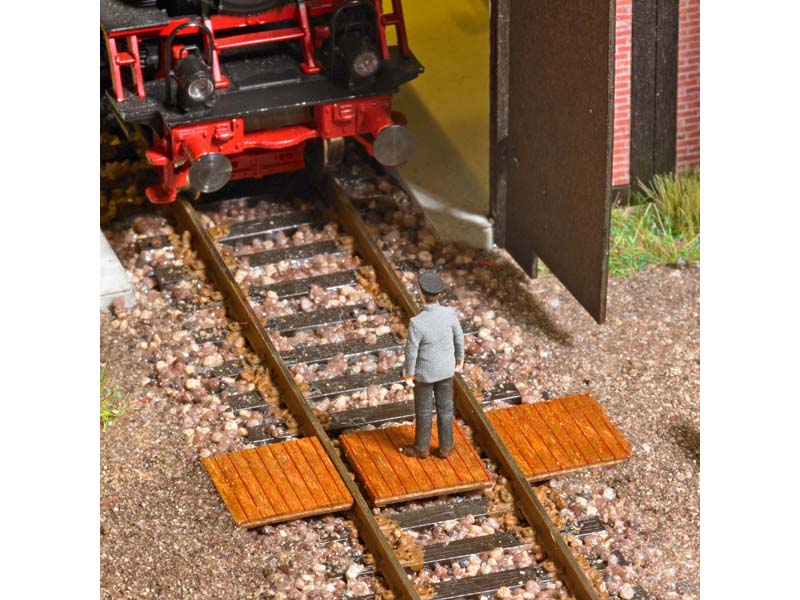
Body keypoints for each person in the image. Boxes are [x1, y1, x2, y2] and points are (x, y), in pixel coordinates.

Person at [401, 272, 465, 459]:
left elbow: (411, 352)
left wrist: (409, 374)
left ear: (421, 294)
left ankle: (422, 448)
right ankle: (446, 447)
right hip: (446, 371)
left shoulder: (417, 323)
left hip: (425, 375)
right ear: (439, 294)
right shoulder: (449, 313)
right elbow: (459, 338)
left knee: (424, 411)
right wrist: (460, 359)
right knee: (446, 408)